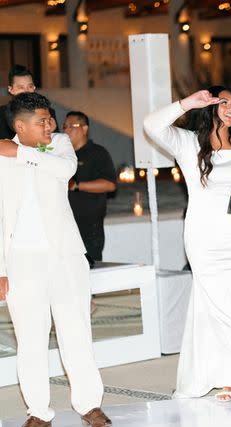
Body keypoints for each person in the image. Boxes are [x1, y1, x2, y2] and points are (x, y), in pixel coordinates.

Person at [143, 86, 231, 405]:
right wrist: (187, 103)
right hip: (204, 234)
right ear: (209, 107)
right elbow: (151, 125)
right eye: (224, 102)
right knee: (215, 306)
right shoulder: (189, 142)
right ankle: (226, 375)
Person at [0, 93, 110, 427]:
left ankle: (89, 405)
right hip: (21, 259)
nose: (50, 125)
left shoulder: (60, 144)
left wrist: (21, 152)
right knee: (30, 339)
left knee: (76, 330)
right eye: (42, 121)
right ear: (20, 125)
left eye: (50, 119)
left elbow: (65, 169)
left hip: (66, 255)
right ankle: (38, 411)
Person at [64, 111, 117, 264]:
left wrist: (77, 186)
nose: (66, 130)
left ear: (85, 128)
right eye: (64, 126)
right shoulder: (64, 155)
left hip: (89, 228)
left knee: (90, 269)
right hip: (66, 226)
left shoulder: (97, 153)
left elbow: (110, 184)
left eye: (71, 126)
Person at [0, 65, 37, 139]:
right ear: (10, 89)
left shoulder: (47, 112)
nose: (26, 91)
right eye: (21, 87)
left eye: (30, 86)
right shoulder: (1, 114)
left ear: (34, 88)